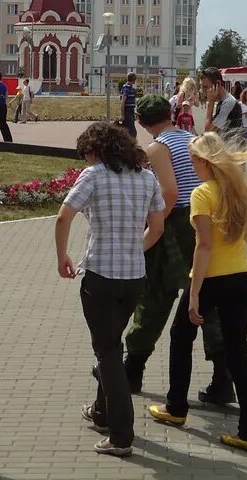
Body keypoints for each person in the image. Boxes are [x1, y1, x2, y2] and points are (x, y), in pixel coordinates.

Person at [56, 121, 166, 457]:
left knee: (107, 354)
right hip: (134, 278)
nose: (86, 159)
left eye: (87, 153)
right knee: (110, 349)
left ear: (96, 150)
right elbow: (157, 226)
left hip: (100, 276)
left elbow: (64, 217)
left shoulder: (94, 175)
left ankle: (121, 436)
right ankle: (102, 413)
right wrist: (134, 247)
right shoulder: (146, 177)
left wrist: (62, 257)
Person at [148, 133, 247, 454]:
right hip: (241, 278)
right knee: (239, 353)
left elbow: (205, 245)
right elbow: (246, 233)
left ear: (202, 161)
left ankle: (175, 407)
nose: (191, 165)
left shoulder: (202, 194)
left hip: (213, 279)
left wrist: (195, 292)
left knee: (181, 335)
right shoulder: (237, 190)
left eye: (192, 160)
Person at [122, 97, 234, 415]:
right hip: (205, 220)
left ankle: (133, 368)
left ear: (142, 121)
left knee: (156, 297)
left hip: (177, 224)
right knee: (207, 299)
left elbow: (169, 192)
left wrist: (157, 223)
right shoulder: (191, 137)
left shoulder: (157, 148)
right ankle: (222, 377)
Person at [200, 68, 244, 136]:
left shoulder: (228, 103)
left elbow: (208, 132)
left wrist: (210, 103)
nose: (203, 90)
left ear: (218, 84)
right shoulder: (223, 101)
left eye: (205, 87)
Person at [119, 72, 138, 137]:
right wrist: (122, 115)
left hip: (131, 110)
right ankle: (131, 145)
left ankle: (128, 144)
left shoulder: (130, 87)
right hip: (127, 111)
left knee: (128, 130)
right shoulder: (126, 87)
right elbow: (123, 101)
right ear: (134, 79)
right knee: (132, 131)